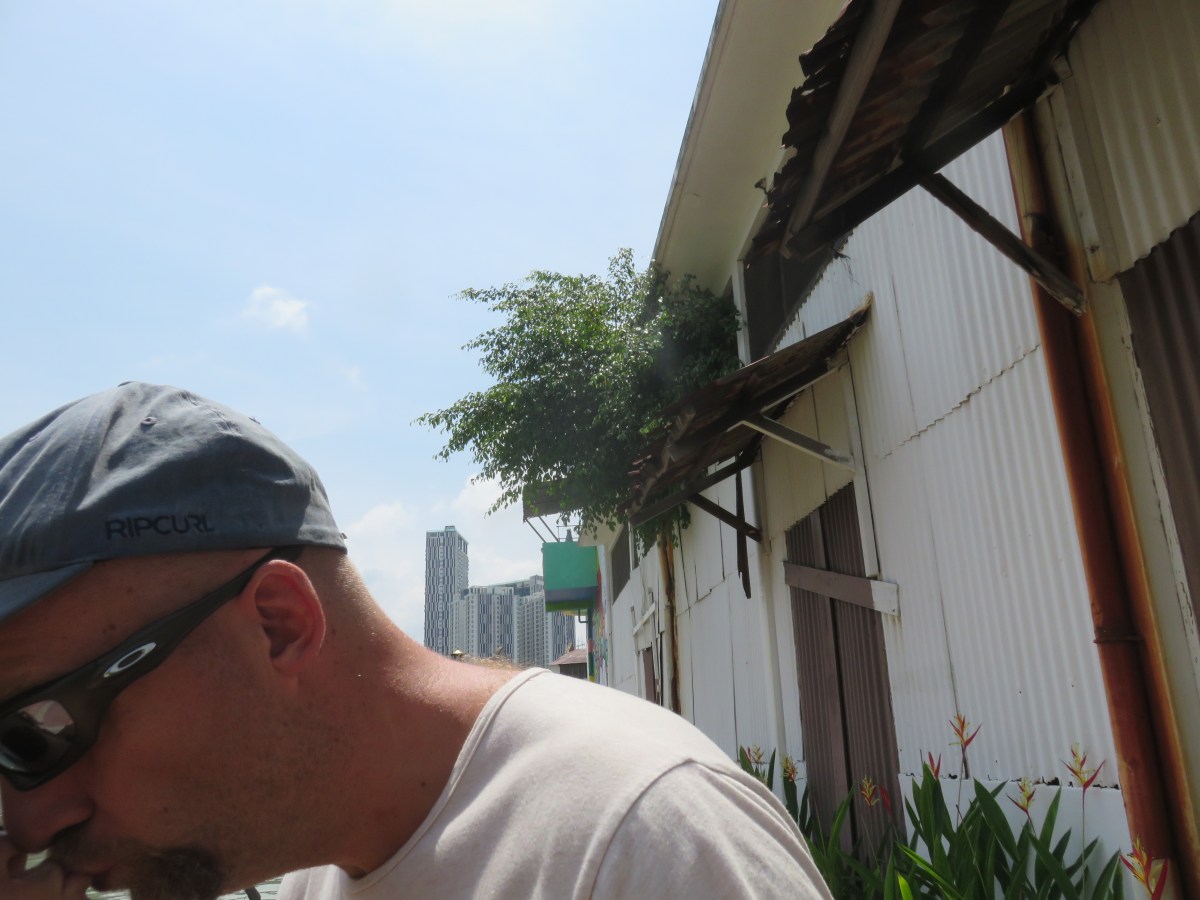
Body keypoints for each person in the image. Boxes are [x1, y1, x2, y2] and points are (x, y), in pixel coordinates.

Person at [0, 382, 831, 900]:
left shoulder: (641, 845)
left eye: (38, 730)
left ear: (278, 626)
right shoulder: (318, 868)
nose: (26, 822)